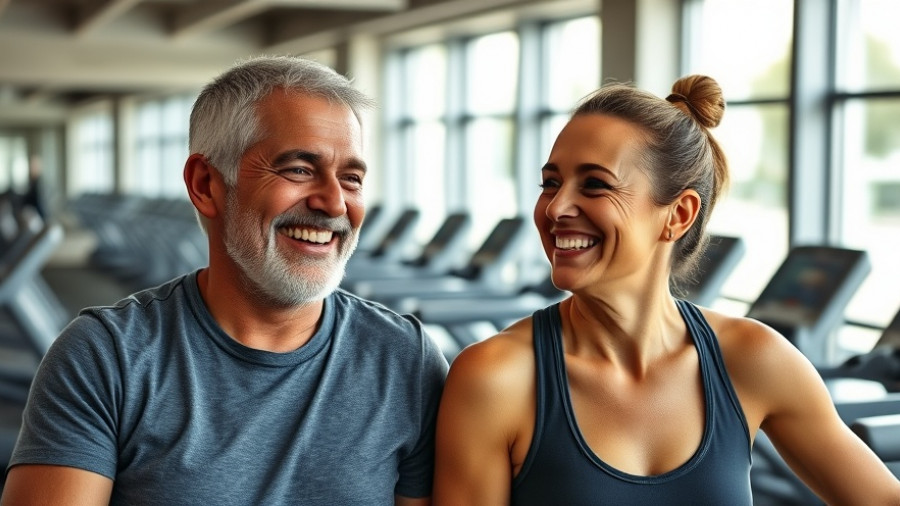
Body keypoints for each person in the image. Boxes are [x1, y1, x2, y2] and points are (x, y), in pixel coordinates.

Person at [432, 75, 900, 505]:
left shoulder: (753, 359)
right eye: (550, 182)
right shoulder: (495, 378)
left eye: (595, 185)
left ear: (678, 215)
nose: (556, 207)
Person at [2, 55, 448, 506]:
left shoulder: (405, 359)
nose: (335, 203)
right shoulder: (106, 356)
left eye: (351, 178)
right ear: (206, 184)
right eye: (298, 169)